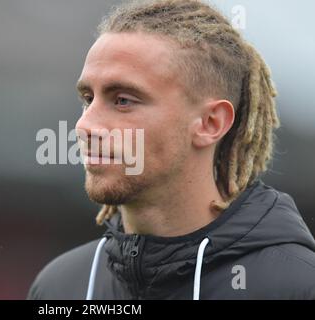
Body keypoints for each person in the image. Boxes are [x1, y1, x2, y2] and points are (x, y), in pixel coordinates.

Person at [27, 0, 315, 299]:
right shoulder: (59, 287)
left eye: (123, 100)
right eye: (88, 98)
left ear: (209, 123)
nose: (85, 126)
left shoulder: (294, 286)